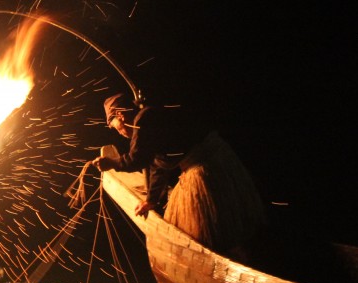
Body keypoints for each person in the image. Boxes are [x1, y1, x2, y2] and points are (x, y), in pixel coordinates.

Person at [91, 93, 266, 261]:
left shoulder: (144, 120)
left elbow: (137, 159)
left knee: (214, 229)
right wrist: (151, 200)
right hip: (220, 158)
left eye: (116, 128)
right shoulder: (150, 117)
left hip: (205, 169)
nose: (120, 133)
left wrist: (112, 163)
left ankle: (230, 264)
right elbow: (159, 164)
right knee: (231, 224)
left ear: (120, 115)